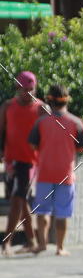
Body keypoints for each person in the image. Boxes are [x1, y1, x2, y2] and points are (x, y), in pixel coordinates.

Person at [28, 83, 83, 256]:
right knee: (63, 212)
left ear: (49, 100)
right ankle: (60, 248)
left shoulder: (41, 122)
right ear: (67, 100)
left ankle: (42, 245)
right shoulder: (76, 123)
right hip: (66, 175)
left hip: (44, 174)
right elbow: (82, 147)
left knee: (42, 211)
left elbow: (32, 144)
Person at [0, 71, 45, 255]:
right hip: (11, 161)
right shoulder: (7, 107)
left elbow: (48, 134)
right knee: (19, 200)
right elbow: (1, 131)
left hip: (31, 162)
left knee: (18, 199)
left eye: (31, 90)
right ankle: (30, 241)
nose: (29, 93)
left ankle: (6, 244)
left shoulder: (41, 108)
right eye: (25, 90)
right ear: (17, 88)